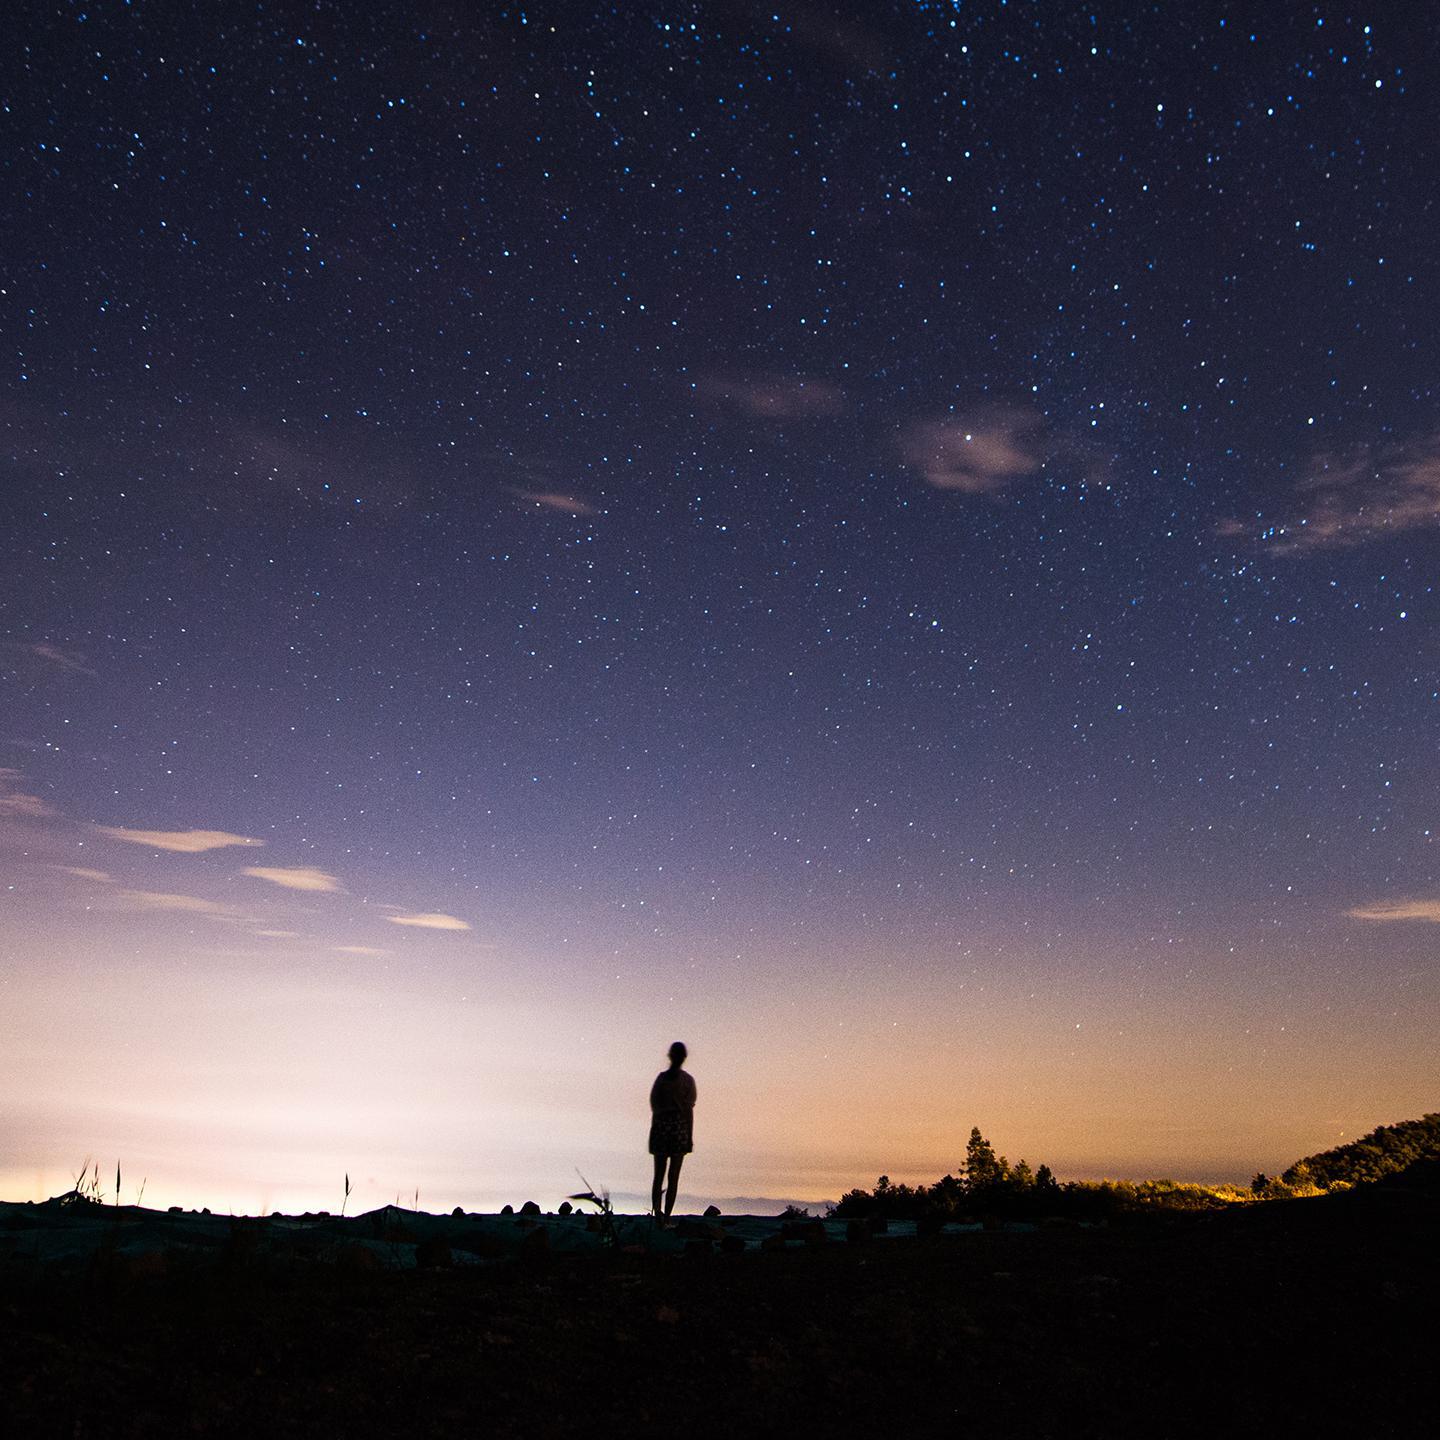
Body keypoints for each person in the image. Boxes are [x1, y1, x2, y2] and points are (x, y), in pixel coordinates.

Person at [648, 1041, 696, 1224]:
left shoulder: (685, 1081)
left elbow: (688, 1109)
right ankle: (660, 1214)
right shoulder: (668, 1079)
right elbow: (655, 1105)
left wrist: (689, 1135)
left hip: (674, 1128)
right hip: (666, 1127)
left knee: (669, 1175)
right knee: (663, 1175)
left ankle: (664, 1215)